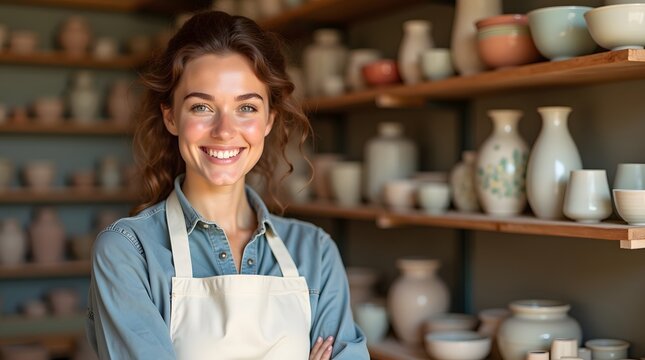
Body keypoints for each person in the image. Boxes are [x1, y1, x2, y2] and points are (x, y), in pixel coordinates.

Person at [85, 10, 369, 360]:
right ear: (171, 117)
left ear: (269, 120)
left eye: (246, 107)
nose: (224, 131)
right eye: (202, 106)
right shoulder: (129, 252)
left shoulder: (315, 252)